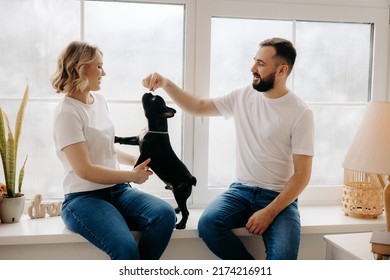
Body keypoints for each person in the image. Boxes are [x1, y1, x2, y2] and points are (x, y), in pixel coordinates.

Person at [142, 38, 314, 260]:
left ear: (282, 70)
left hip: (279, 198)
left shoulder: (301, 112)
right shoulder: (243, 96)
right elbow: (197, 106)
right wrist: (165, 82)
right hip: (240, 191)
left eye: (261, 63)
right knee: (208, 225)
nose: (252, 68)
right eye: (254, 61)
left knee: (283, 257)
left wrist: (269, 212)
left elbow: (302, 175)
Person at [51, 41, 176, 260]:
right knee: (125, 249)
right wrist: (132, 177)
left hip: (117, 191)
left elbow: (105, 147)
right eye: (99, 66)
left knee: (165, 215)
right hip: (83, 199)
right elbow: (85, 170)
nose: (104, 72)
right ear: (80, 68)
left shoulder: (98, 100)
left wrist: (139, 161)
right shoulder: (67, 112)